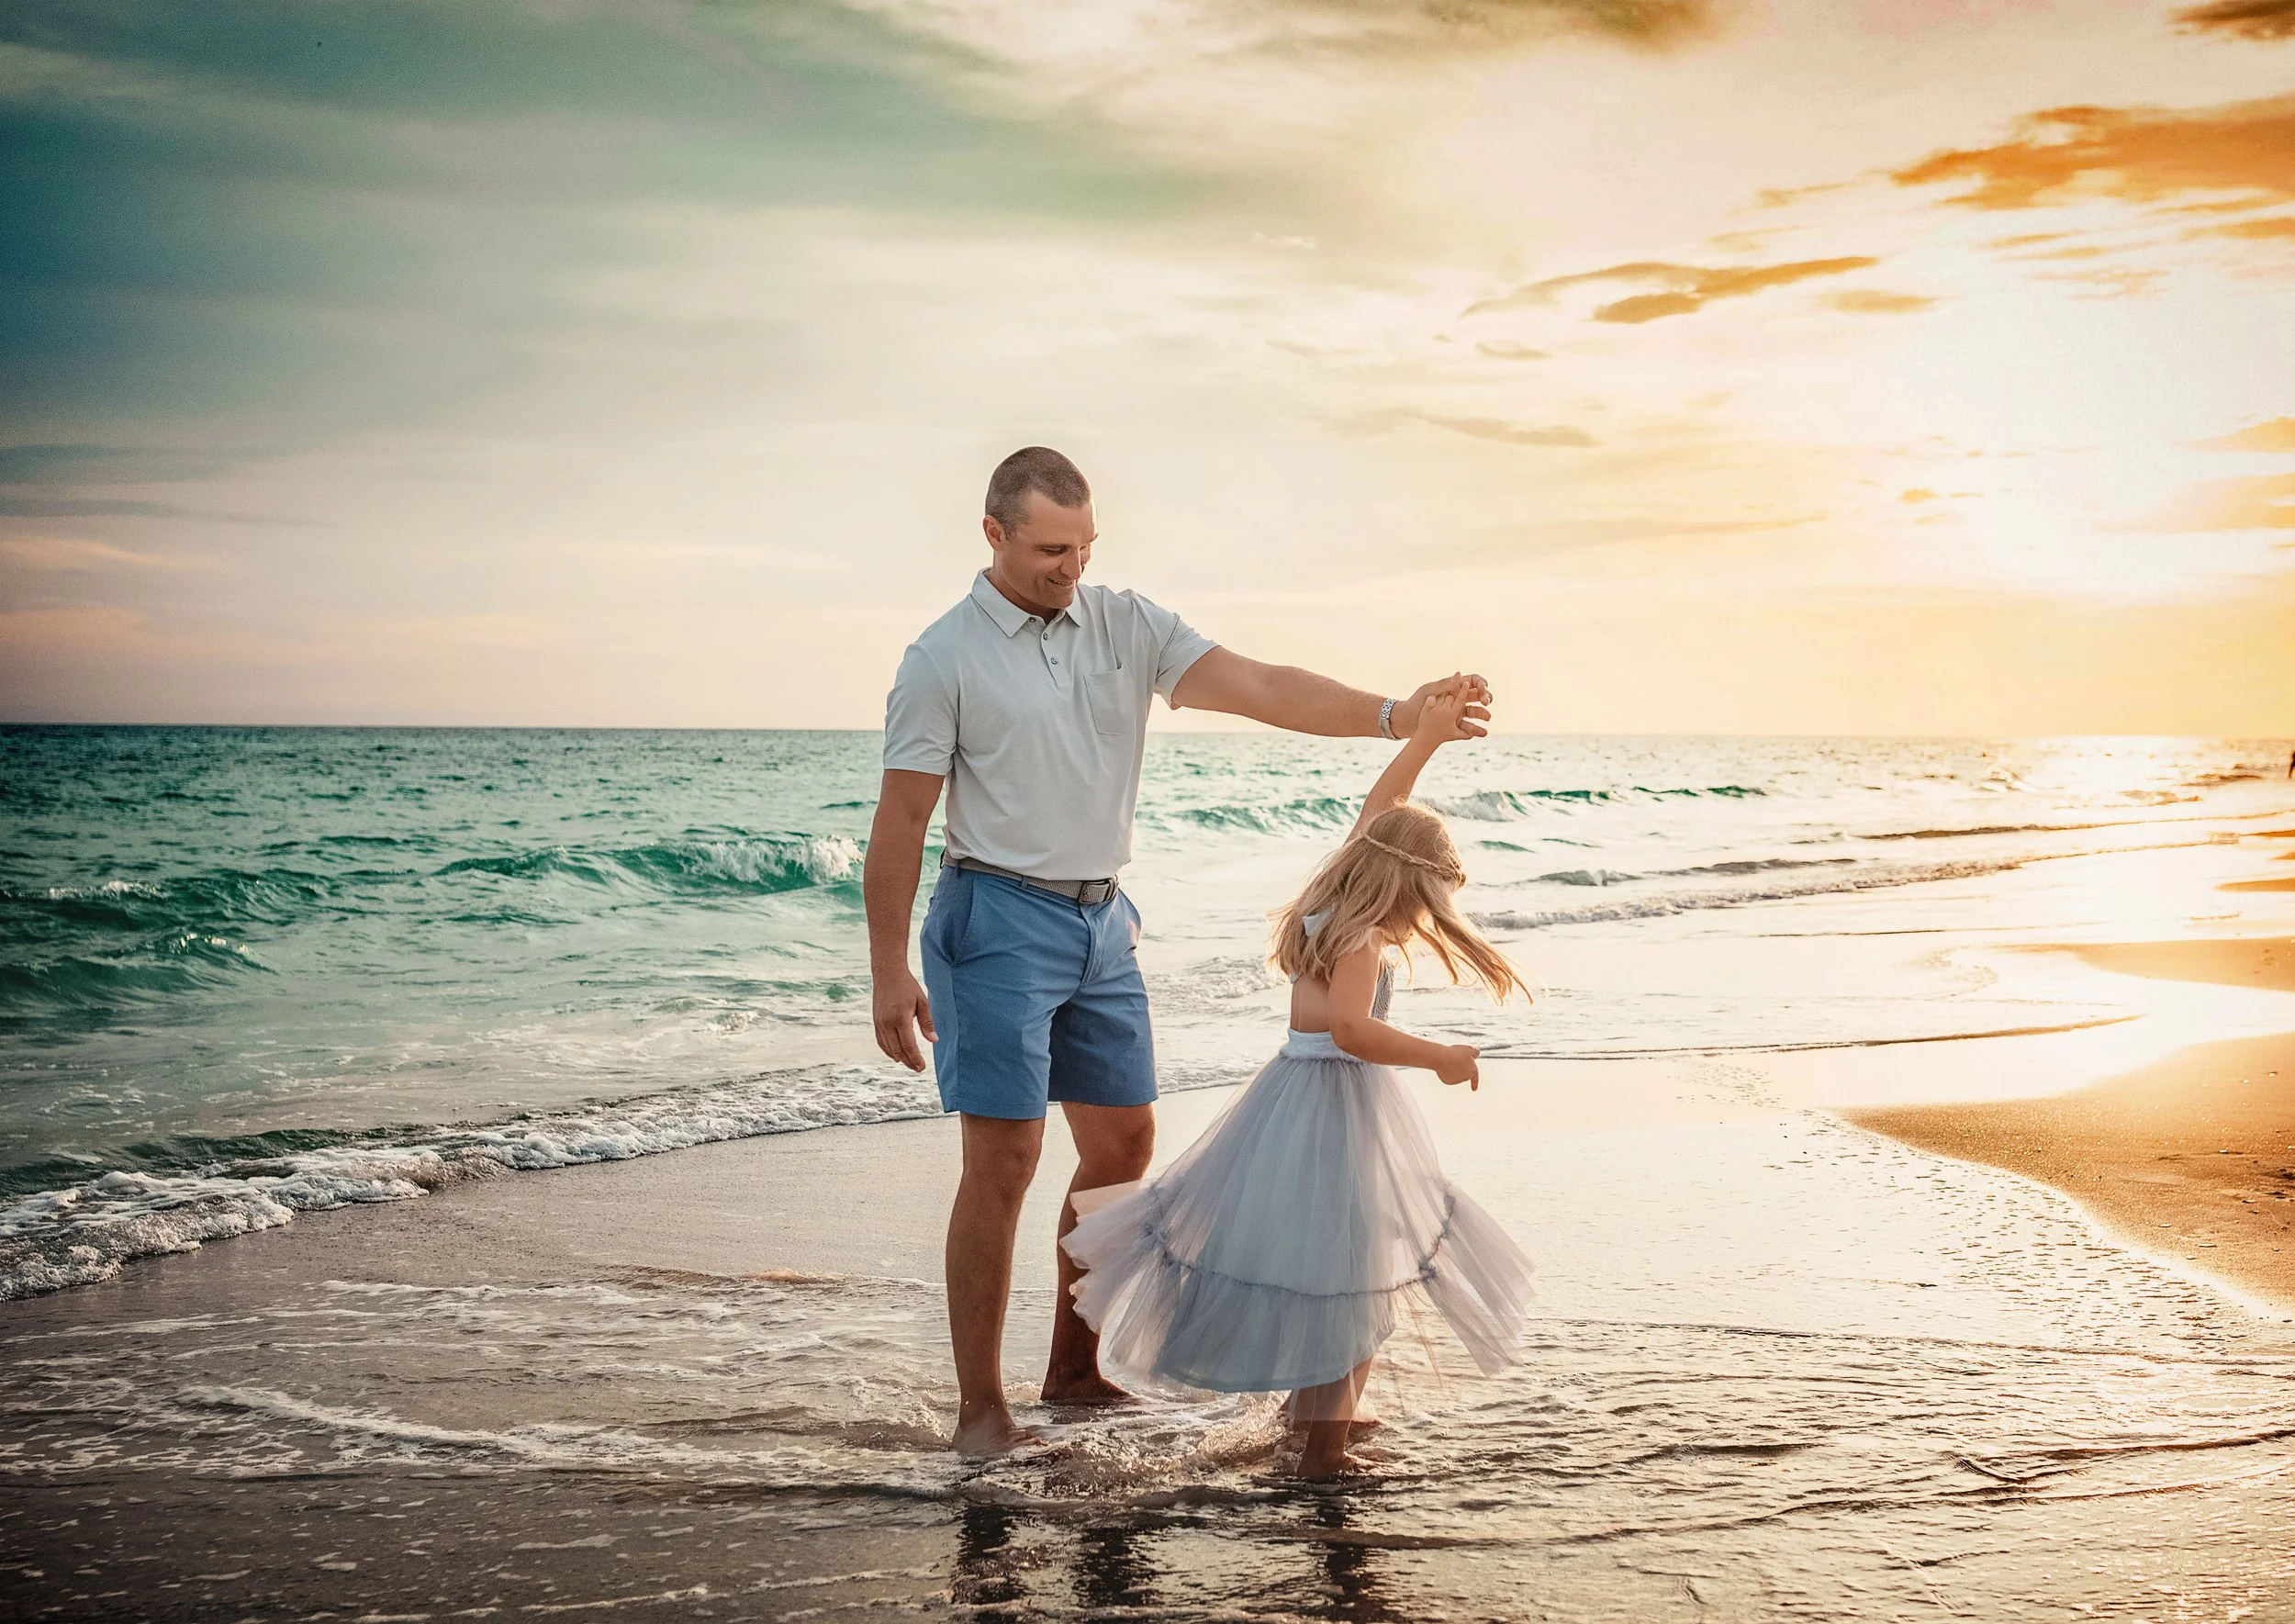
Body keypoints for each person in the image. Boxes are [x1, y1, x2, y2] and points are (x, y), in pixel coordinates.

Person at [865, 445, 1494, 1456]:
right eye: (1049, 548)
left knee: (1122, 1144)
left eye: (1084, 547)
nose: (1071, 566)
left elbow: (1257, 684)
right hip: (994, 918)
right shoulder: (942, 658)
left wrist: (1394, 717)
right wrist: (889, 966)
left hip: (1102, 920)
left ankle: (1074, 1372)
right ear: (993, 535)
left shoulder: (1126, 621)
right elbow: (900, 821)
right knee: (1006, 1157)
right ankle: (982, 1411)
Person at [1060, 679, 1533, 1477]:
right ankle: (1322, 1449)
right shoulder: (1364, 940)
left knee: (1324, 1267)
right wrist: (1441, 1057)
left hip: (1292, 1102)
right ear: (1406, 886)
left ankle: (1307, 1420)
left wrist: (1426, 741)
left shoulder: (1331, 899)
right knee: (1349, 1276)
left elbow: (1382, 807)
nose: (1429, 916)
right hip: (1336, 1111)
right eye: (1430, 898)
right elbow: (1352, 1029)